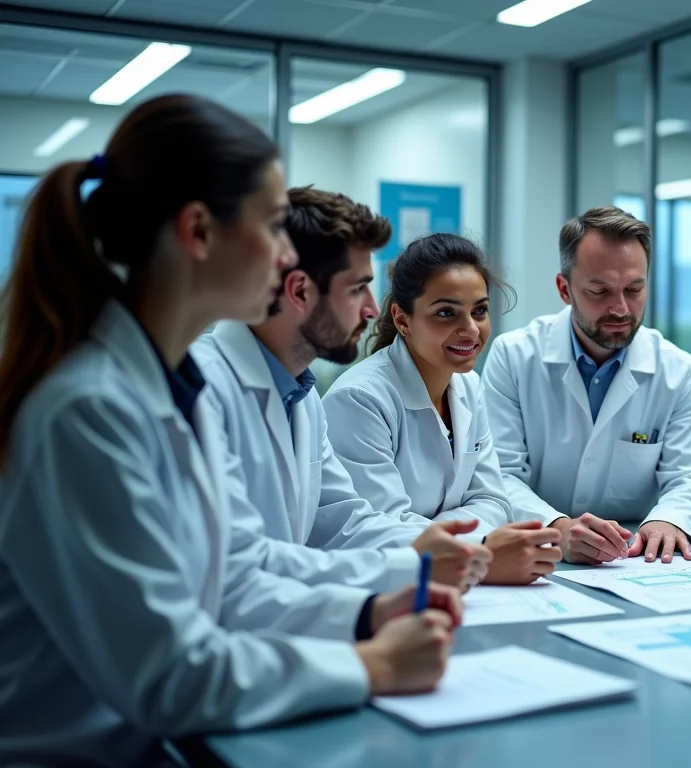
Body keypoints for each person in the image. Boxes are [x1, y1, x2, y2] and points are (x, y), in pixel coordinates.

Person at [0, 95, 461, 766]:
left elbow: (238, 574)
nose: (284, 258)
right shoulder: (84, 409)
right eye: (273, 226)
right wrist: (373, 667)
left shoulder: (169, 384)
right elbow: (168, 674)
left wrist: (368, 616)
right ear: (199, 231)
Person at [192, 187, 491, 594]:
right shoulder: (202, 390)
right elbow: (238, 568)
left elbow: (346, 522)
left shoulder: (302, 396)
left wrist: (446, 558)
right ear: (299, 292)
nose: (372, 310)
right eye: (357, 289)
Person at [481, 206, 691, 565]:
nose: (621, 308)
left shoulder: (678, 371)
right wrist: (557, 528)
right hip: (542, 558)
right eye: (599, 290)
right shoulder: (514, 357)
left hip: (637, 562)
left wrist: (667, 519)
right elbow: (498, 475)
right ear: (565, 289)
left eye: (634, 289)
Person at [323, 234, 562, 585]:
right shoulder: (360, 399)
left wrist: (458, 543)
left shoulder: (467, 385)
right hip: (384, 588)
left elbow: (494, 502)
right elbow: (378, 530)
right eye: (446, 313)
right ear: (402, 320)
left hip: (445, 577)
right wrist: (482, 549)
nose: (470, 329)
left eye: (479, 310)